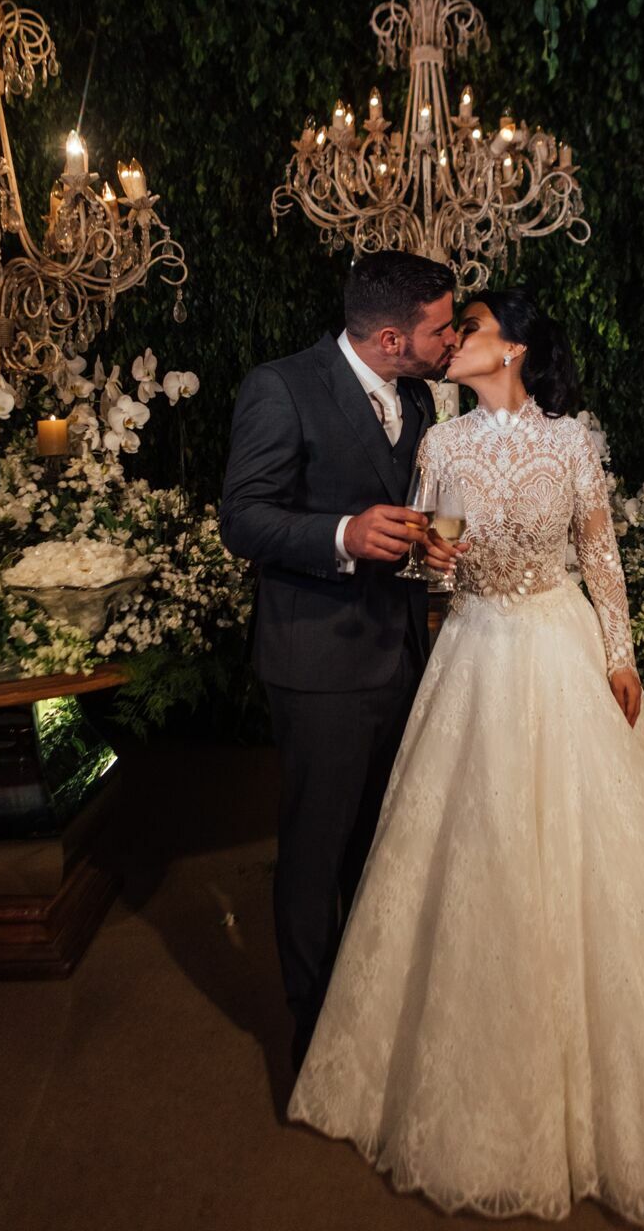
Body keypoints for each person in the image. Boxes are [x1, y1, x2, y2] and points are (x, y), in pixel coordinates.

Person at [288, 288, 644, 1223]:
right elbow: (428, 560)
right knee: (474, 851)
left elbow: (601, 557)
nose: (453, 342)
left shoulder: (570, 443)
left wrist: (620, 658)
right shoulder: (439, 444)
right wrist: (431, 559)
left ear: (512, 351)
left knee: (602, 850)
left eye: (470, 329)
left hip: (559, 644)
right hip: (472, 653)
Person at [219, 250, 459, 1072]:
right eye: (441, 328)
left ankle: (367, 1012)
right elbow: (243, 518)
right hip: (318, 662)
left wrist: (425, 546)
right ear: (392, 338)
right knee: (315, 848)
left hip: (401, 653)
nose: (451, 339)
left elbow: (407, 506)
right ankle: (313, 1040)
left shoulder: (420, 395)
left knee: (379, 842)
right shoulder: (280, 387)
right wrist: (341, 535)